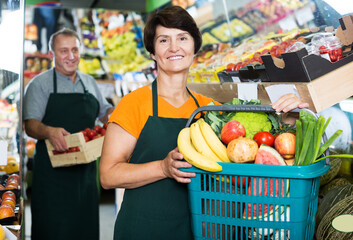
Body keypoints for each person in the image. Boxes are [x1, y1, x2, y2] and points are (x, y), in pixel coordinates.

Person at [99, 6, 308, 240]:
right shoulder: (134, 103)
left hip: (198, 229)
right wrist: (162, 168)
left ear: (194, 47)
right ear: (152, 52)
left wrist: (289, 114)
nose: (174, 47)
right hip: (144, 228)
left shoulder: (210, 110)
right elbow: (108, 175)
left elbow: (255, 149)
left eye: (182, 38)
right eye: (163, 40)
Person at [23, 28, 114, 240]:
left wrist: (112, 114)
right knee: (53, 230)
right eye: (64, 51)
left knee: (85, 229)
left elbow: (104, 112)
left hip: (86, 175)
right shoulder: (40, 84)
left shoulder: (89, 82)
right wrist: (48, 131)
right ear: (52, 53)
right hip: (52, 176)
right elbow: (30, 125)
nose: (71, 56)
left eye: (75, 50)